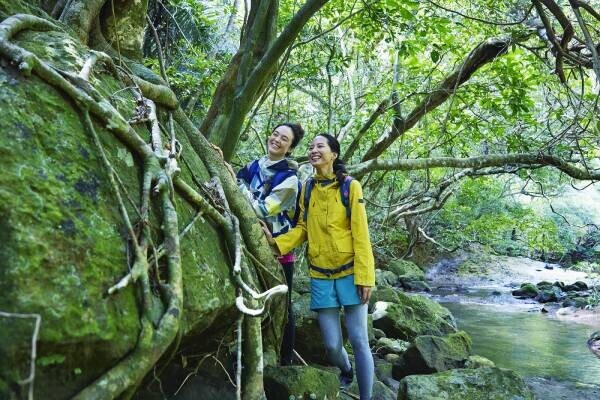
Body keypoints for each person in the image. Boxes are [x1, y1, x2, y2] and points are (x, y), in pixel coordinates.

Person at [263, 134, 375, 400]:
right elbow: (302, 228)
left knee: (359, 340)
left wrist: (365, 277)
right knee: (332, 345)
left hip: (350, 272)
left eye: (320, 146)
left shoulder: (350, 187)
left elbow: (361, 233)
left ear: (333, 154)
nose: (313, 150)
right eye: (311, 147)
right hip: (321, 275)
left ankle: (367, 396)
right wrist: (277, 242)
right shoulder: (308, 187)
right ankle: (346, 370)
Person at [236, 122, 305, 366]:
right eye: (275, 134)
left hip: (276, 248)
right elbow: (236, 180)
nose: (276, 139)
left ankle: (284, 362)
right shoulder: (256, 164)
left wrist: (240, 190)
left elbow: (262, 209)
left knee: (282, 306)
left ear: (290, 148)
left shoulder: (290, 179)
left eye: (284, 139)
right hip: (248, 239)